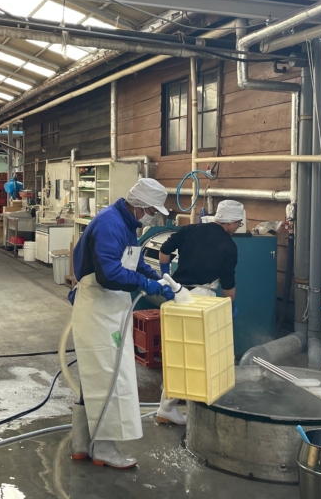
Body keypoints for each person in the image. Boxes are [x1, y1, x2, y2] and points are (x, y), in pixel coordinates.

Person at [70, 178, 177, 469]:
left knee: (95, 377)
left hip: (109, 307)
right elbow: (109, 274)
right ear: (139, 206)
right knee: (108, 378)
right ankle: (103, 449)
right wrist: (146, 284)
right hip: (99, 307)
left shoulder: (125, 224)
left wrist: (157, 278)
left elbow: (132, 261)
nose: (153, 216)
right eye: (152, 211)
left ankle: (81, 443)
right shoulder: (110, 225)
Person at [154, 200, 243, 425]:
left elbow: (164, 252)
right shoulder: (229, 246)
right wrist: (229, 307)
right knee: (199, 354)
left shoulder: (190, 229)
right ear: (230, 222)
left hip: (179, 296)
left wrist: (168, 278)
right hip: (203, 299)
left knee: (178, 351)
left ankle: (169, 405)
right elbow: (228, 284)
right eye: (238, 223)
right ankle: (177, 406)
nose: (238, 227)